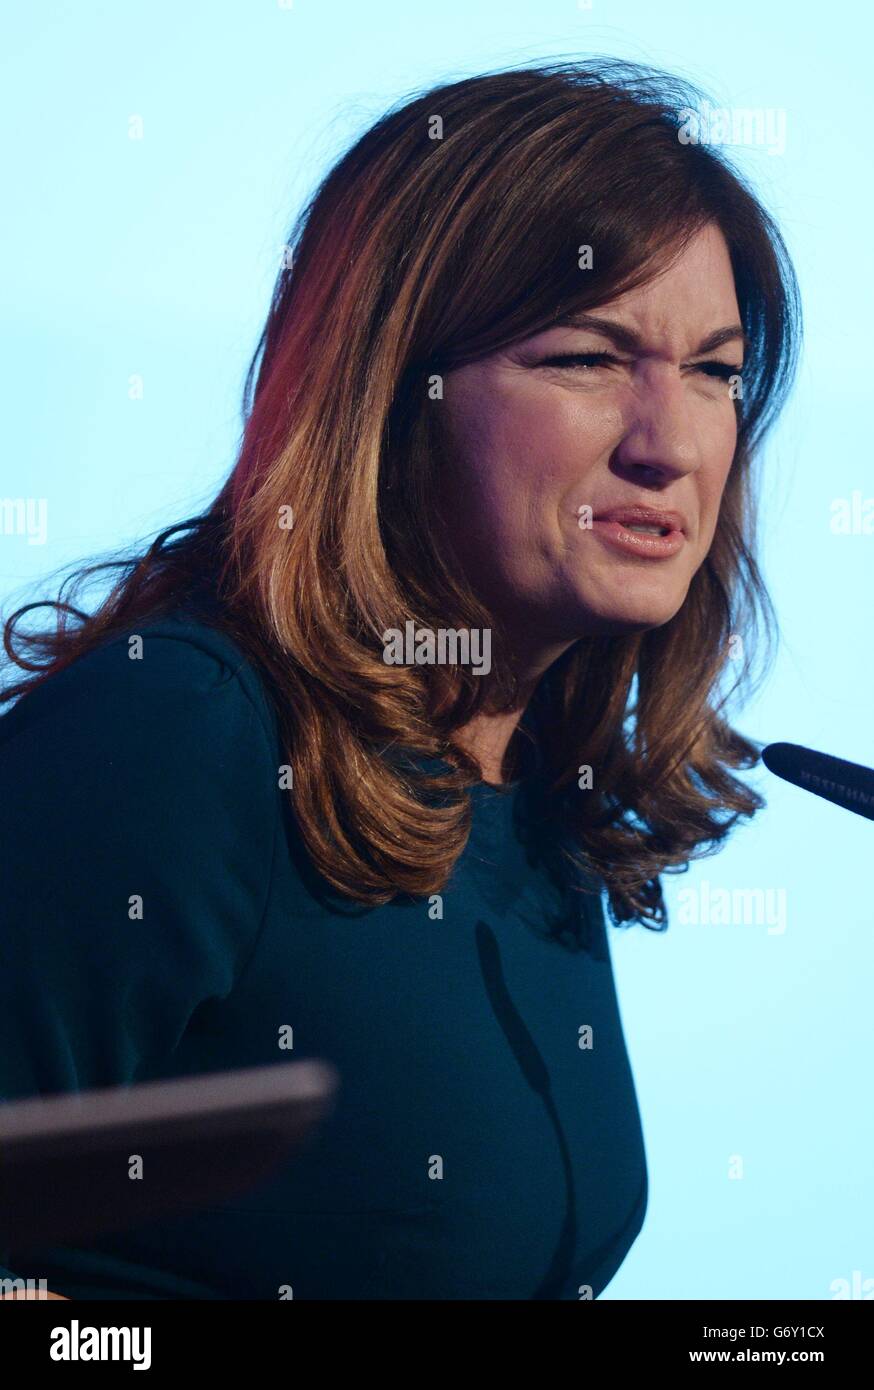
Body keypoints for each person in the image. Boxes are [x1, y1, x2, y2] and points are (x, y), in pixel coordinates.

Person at [0, 57, 799, 1299]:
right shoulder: (180, 734)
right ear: (395, 394)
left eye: (714, 370)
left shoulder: (530, 774)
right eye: (590, 358)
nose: (672, 444)